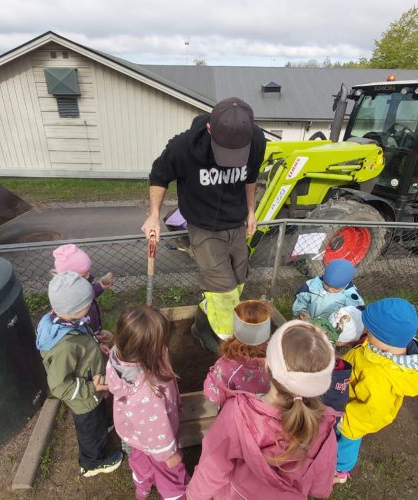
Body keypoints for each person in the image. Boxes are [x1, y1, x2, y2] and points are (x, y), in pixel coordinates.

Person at [141, 97, 267, 353]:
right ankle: (226, 341)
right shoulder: (183, 146)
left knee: (240, 278)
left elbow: (250, 178)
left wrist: (252, 211)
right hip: (203, 225)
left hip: (236, 222)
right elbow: (159, 175)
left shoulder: (256, 140)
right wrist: (154, 215)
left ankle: (205, 315)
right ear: (210, 129)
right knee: (222, 288)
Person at [187, 320, 338, 499]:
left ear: (266, 365)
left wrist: (194, 496)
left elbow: (213, 464)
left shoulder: (238, 414)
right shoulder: (323, 426)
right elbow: (321, 481)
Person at [334, 298, 418, 484]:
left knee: (347, 443)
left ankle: (340, 470)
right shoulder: (384, 346)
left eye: (368, 331)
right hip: (348, 394)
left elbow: (373, 412)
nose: (365, 333)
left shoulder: (381, 375)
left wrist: (344, 420)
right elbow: (362, 354)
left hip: (353, 418)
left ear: (382, 337)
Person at [36, 271, 122, 477]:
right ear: (75, 309)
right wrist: (91, 387)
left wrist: (96, 345)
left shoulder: (67, 322)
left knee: (99, 416)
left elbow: (82, 340)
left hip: (93, 386)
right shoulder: (63, 346)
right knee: (89, 431)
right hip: (84, 398)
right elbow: (59, 386)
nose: (91, 307)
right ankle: (92, 463)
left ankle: (105, 426)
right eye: (88, 304)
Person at [107, 306, 189, 500]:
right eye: (162, 343)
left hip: (136, 433)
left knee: (140, 458)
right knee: (172, 476)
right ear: (150, 351)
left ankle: (142, 487)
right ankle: (176, 496)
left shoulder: (118, 355)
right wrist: (169, 454)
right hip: (159, 441)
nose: (166, 346)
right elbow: (156, 430)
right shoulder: (147, 393)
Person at [203, 300, 271, 408]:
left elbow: (212, 395)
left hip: (237, 415)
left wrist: (213, 372)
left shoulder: (226, 366)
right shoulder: (276, 362)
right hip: (266, 413)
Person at [53, 243, 114, 354]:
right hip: (86, 337)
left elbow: (90, 293)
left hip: (93, 330)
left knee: (109, 337)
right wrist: (94, 340)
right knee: (102, 344)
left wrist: (100, 287)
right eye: (84, 275)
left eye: (88, 272)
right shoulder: (69, 305)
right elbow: (80, 333)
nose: (88, 276)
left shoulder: (79, 286)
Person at [292, 258, 364, 320]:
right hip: (308, 320)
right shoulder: (312, 286)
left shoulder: (352, 296)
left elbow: (357, 314)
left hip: (331, 330)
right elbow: (301, 299)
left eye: (335, 289)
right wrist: (301, 311)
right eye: (326, 284)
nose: (329, 289)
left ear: (345, 285)